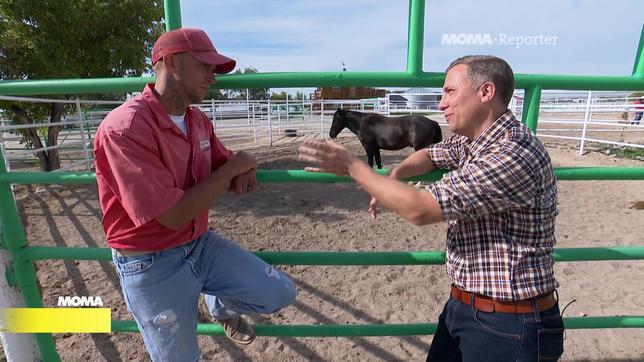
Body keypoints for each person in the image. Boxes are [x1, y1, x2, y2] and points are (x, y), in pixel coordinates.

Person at [298, 55, 564, 361]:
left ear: (486, 92)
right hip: (467, 307)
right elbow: (431, 155)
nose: (441, 104)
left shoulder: (513, 151)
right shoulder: (473, 141)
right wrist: (394, 175)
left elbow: (421, 210)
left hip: (509, 323)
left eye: (450, 92)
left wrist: (354, 168)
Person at [94, 28, 296, 361]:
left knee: (279, 293)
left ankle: (217, 302)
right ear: (172, 63)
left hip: (198, 243)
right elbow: (172, 214)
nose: (212, 76)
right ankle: (213, 299)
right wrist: (232, 169)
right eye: (205, 66)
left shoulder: (197, 120)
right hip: (149, 261)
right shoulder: (125, 128)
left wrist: (237, 165)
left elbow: (221, 161)